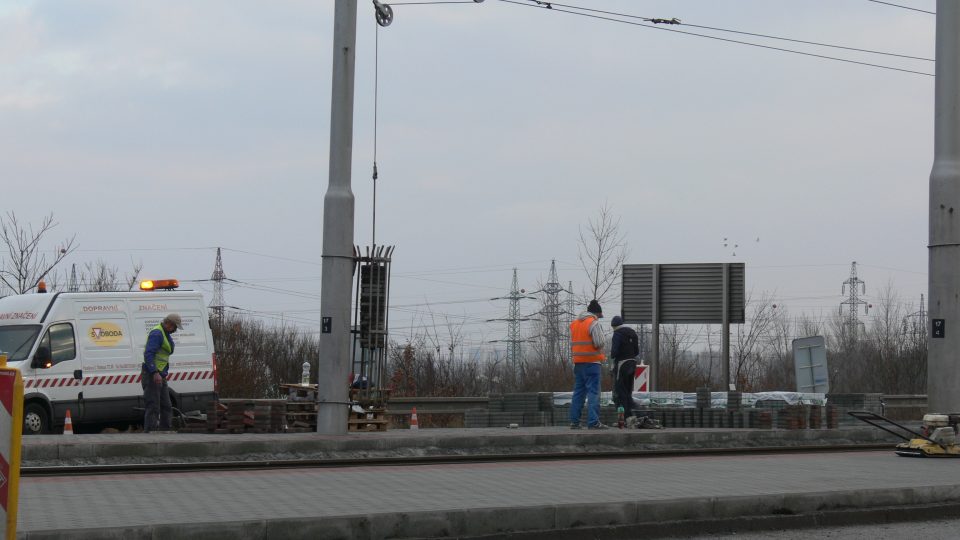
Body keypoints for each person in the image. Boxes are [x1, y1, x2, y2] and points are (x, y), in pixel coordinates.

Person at [569, 300, 608, 429]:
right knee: (593, 392)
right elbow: (599, 342)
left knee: (578, 392)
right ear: (596, 313)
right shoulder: (593, 322)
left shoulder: (575, 324)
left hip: (578, 363)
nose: (599, 318)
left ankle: (574, 422)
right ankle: (593, 422)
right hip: (592, 363)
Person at [142, 313, 182, 432]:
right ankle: (151, 432)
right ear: (170, 324)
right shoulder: (157, 333)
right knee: (153, 405)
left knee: (166, 405)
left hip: (160, 375)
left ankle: (165, 431)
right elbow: (148, 354)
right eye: (175, 327)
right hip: (152, 375)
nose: (175, 330)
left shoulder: (165, 334)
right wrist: (155, 372)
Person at [610, 315, 639, 421]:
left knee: (620, 390)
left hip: (622, 364)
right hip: (632, 363)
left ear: (614, 326)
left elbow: (614, 352)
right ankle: (632, 415)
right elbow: (637, 351)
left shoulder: (617, 334)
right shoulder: (632, 332)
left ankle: (625, 418)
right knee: (628, 390)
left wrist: (613, 356)